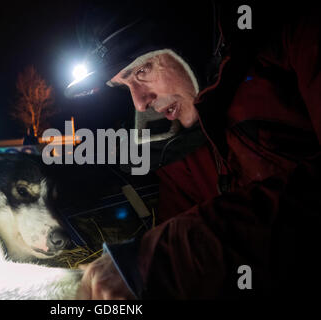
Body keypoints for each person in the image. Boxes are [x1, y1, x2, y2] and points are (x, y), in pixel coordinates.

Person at [65, 1, 321, 299]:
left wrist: (163, 259)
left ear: (181, 36)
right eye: (124, 85)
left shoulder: (296, 38)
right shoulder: (178, 153)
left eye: (143, 69)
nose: (139, 102)